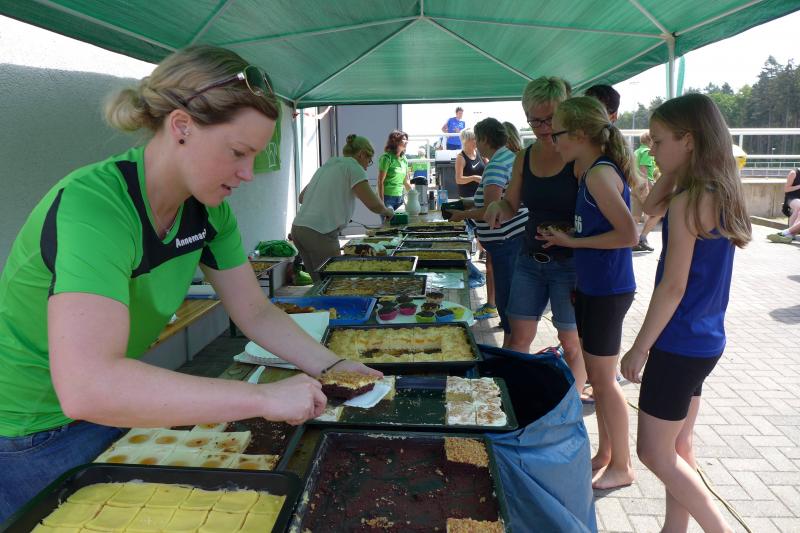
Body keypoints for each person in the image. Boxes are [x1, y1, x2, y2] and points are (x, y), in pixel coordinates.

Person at [0, 45, 380, 522]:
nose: (247, 173)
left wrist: (335, 366)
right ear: (181, 126)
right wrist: (263, 398)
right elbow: (89, 386)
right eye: (238, 153)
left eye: (255, 156)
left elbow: (255, 310)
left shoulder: (207, 211)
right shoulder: (94, 206)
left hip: (113, 409)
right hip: (32, 431)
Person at [620, 93, 751, 532]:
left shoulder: (689, 200)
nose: (652, 151)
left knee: (654, 453)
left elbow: (672, 287)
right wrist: (671, 169)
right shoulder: (717, 189)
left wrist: (639, 348)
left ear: (689, 140)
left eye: (658, 142)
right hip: (705, 342)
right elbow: (648, 207)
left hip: (677, 343)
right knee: (678, 446)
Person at [538, 96, 639, 489]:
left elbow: (628, 234)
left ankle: (623, 466)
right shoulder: (590, 172)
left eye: (558, 133)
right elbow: (600, 228)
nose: (552, 140)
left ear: (580, 135)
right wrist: (568, 235)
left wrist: (574, 243)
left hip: (608, 290)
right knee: (599, 379)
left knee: (605, 383)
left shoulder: (598, 174)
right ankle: (607, 454)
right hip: (595, 286)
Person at [485, 77, 587, 397]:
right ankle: (511, 403)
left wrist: (571, 233)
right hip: (529, 259)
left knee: (571, 343)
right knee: (518, 337)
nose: (543, 128)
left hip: (570, 263)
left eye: (550, 119)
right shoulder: (524, 157)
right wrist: (497, 208)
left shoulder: (579, 156)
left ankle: (568, 408)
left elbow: (599, 217)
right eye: (535, 120)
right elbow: (510, 204)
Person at [446, 118, 527, 343]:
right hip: (514, 238)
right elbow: (495, 200)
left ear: (484, 139)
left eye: (477, 140)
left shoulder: (496, 165)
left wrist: (461, 215)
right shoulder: (509, 157)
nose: (475, 145)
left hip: (506, 241)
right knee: (511, 300)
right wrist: (466, 204)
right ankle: (512, 345)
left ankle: (512, 350)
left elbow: (491, 212)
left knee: (507, 301)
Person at [292, 135, 395, 281]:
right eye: (369, 160)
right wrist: (387, 211)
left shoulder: (328, 165)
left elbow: (302, 197)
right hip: (319, 232)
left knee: (319, 283)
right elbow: (373, 204)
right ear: (361, 154)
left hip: (298, 229)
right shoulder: (354, 167)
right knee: (334, 283)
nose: (367, 166)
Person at [633, 132, 660, 251]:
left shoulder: (636, 152)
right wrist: (652, 187)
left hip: (634, 185)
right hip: (643, 186)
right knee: (658, 212)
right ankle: (642, 239)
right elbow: (644, 171)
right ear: (650, 141)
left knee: (635, 216)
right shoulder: (647, 152)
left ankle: (632, 242)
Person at [377, 130, 412, 212]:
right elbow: (380, 182)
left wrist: (415, 195)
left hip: (400, 199)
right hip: (387, 199)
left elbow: (405, 182)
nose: (406, 141)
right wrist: (382, 203)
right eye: (403, 139)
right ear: (395, 141)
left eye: (406, 139)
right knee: (388, 220)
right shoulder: (386, 158)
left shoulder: (404, 160)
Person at [769, 167, 800, 242]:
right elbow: (786, 189)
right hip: (791, 198)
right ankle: (790, 233)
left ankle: (789, 234)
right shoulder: (793, 173)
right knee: (799, 206)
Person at [454, 128, 485, 199]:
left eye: (476, 139)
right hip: (468, 196)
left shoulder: (480, 152)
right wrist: (474, 178)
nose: (476, 141)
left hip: (482, 193)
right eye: (473, 139)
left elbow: (489, 165)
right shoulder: (461, 158)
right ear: (465, 141)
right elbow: (458, 180)